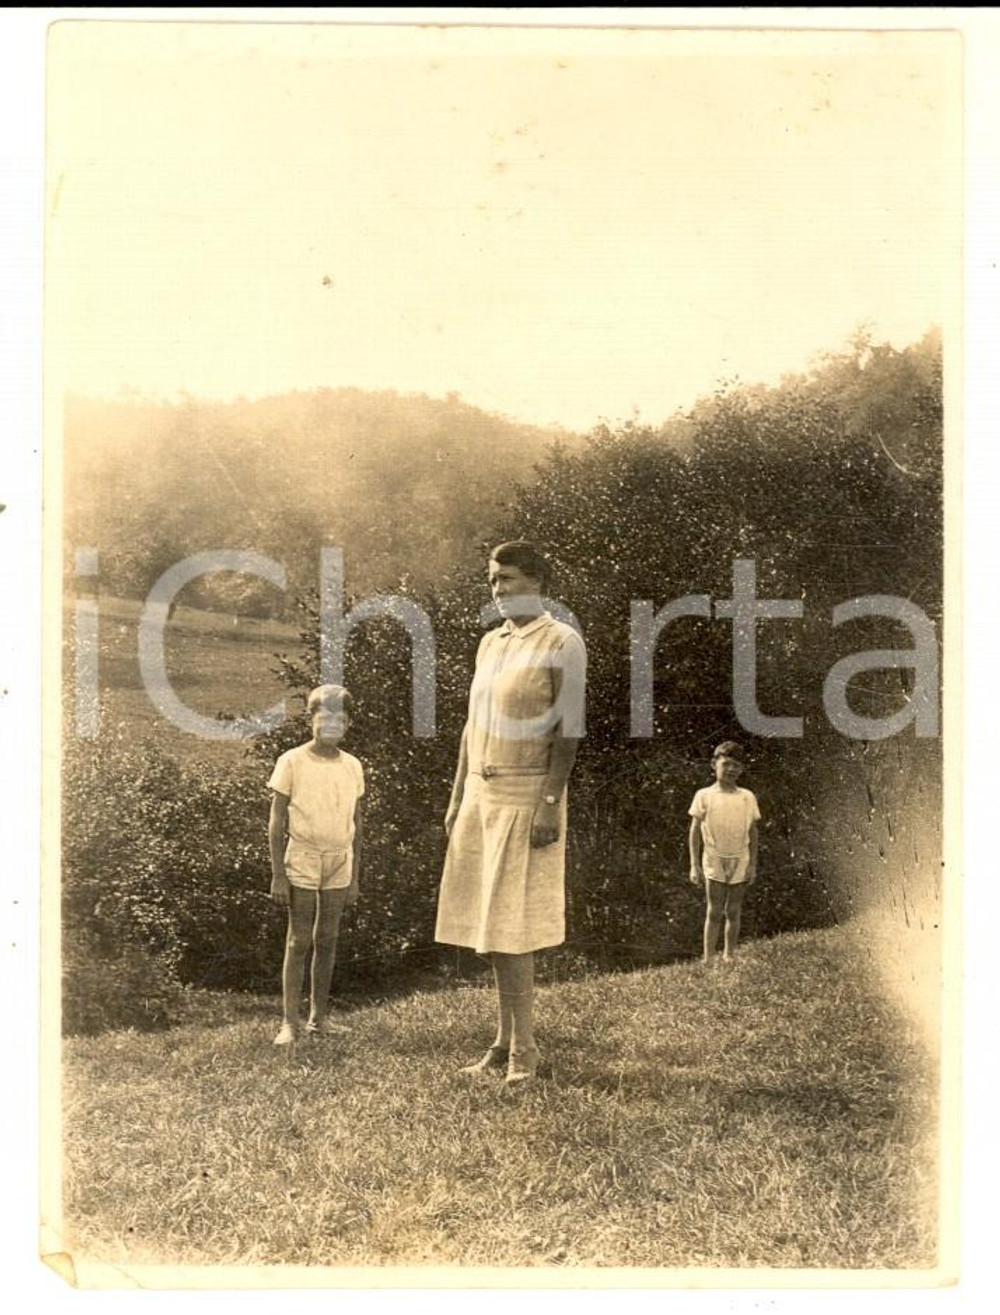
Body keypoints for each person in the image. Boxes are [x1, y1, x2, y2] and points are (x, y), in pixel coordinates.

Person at [435, 540, 586, 1086]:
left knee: (511, 928)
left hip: (527, 797)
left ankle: (526, 1049)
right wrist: (456, 800)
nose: (498, 590)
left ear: (538, 582)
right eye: (494, 581)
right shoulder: (490, 644)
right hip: (480, 795)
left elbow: (568, 732)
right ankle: (502, 1042)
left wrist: (550, 802)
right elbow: (471, 729)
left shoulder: (561, 641)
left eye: (509, 580)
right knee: (489, 927)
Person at [268, 684, 364, 1045]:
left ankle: (318, 1019)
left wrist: (354, 876)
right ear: (310, 718)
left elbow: (357, 825)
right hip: (303, 857)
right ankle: (289, 1023)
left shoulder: (353, 765)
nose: (332, 725)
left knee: (328, 938)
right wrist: (279, 874)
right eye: (324, 716)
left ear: (349, 723)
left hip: (339, 860)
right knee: (299, 939)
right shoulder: (291, 761)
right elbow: (277, 821)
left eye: (340, 718)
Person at [688, 741, 761, 963]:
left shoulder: (747, 796)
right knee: (714, 910)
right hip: (714, 858)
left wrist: (752, 864)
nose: (731, 770)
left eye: (736, 766)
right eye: (726, 764)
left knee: (733, 910)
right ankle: (708, 957)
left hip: (740, 858)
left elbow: (753, 832)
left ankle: (729, 955)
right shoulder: (704, 795)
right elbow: (694, 832)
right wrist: (694, 865)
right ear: (714, 764)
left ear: (742, 769)